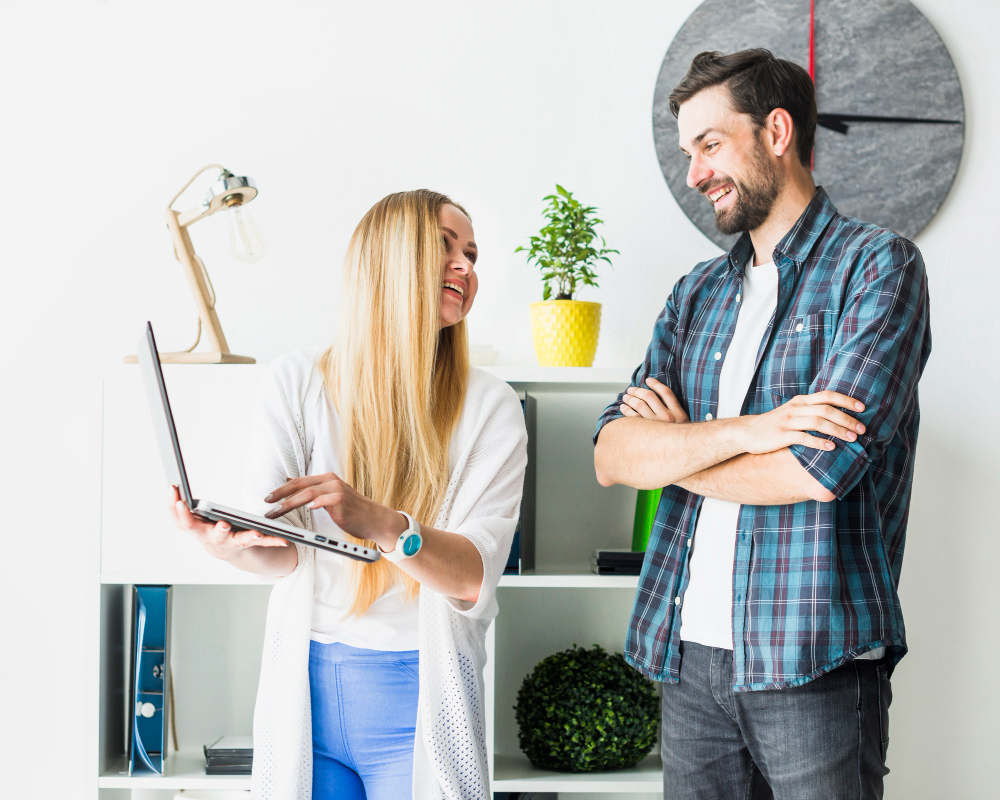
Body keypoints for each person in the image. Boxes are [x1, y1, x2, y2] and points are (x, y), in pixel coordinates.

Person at [593, 50, 930, 799]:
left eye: (709, 145)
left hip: (814, 661)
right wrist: (754, 430)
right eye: (687, 153)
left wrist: (674, 451)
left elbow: (817, 471)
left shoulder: (878, 269)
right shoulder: (697, 294)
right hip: (687, 659)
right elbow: (613, 454)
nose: (694, 173)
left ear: (776, 131)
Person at [169, 190, 528, 800]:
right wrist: (224, 545)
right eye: (444, 247)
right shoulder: (296, 381)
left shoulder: (491, 407)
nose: (466, 267)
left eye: (471, 253)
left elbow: (471, 577)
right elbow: (283, 554)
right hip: (305, 691)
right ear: (386, 259)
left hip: (416, 695)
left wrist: (381, 522)